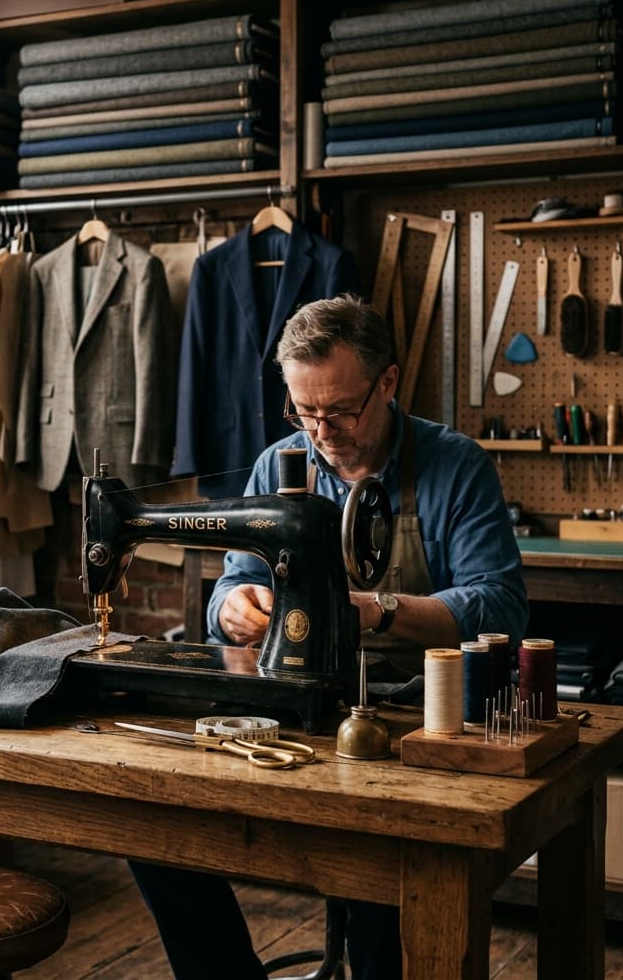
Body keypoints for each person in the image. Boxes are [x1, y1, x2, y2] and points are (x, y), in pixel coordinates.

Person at [131, 294, 529, 980]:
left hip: (412, 715)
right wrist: (233, 609)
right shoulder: (279, 466)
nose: (323, 431)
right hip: (299, 711)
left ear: (390, 382)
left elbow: (500, 606)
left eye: (341, 410)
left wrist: (371, 609)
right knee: (151, 827)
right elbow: (231, 584)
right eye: (304, 411)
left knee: (380, 873)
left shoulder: (455, 465)